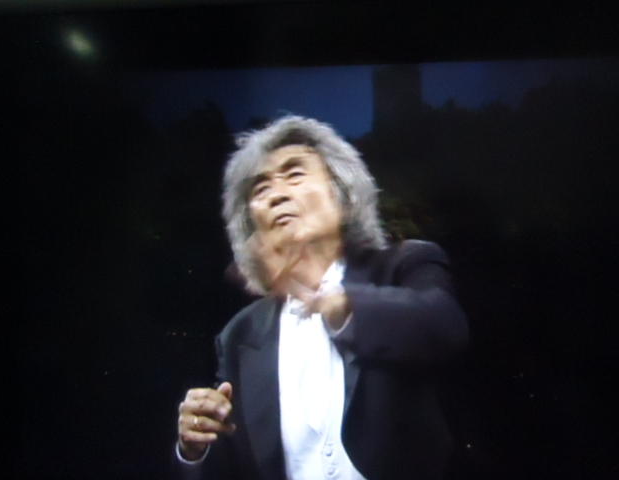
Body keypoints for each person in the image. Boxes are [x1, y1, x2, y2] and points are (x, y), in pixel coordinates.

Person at [175, 116, 468, 480]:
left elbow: (445, 327)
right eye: (261, 188)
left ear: (341, 193)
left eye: (294, 174)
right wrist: (194, 449)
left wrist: (333, 301)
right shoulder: (239, 335)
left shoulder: (406, 265)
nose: (277, 194)